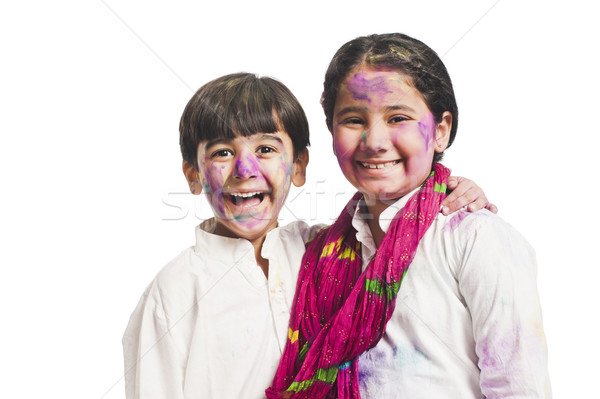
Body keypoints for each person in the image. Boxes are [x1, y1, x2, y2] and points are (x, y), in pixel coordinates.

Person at [123, 73, 493, 399]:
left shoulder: (326, 252)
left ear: (298, 166)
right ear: (192, 174)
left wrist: (449, 188)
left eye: (266, 149)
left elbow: (391, 222)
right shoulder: (172, 292)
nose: (245, 169)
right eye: (222, 152)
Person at [267, 33, 551, 399]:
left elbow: (519, 387)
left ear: (441, 131)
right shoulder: (312, 251)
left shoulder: (474, 238)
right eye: (353, 119)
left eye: (398, 117)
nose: (374, 140)